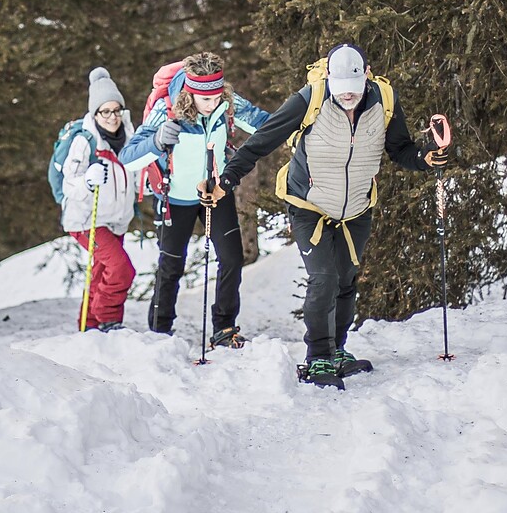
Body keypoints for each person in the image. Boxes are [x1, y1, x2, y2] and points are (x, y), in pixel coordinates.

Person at [217, 44, 445, 384]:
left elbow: (399, 148)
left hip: (356, 205)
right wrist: (227, 178)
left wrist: (424, 159)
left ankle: (337, 349)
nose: (347, 98)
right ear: (328, 78)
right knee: (323, 278)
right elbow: (263, 140)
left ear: (367, 76)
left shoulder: (385, 98)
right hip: (308, 203)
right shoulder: (309, 99)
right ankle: (318, 358)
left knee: (345, 279)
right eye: (341, 92)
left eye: (353, 91)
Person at [120, 51, 269, 350]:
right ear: (190, 93)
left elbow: (266, 125)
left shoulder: (227, 103)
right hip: (175, 197)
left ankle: (224, 328)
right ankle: (160, 333)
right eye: (205, 100)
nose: (212, 104)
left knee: (231, 259)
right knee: (172, 265)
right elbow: (128, 158)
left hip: (214, 193)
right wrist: (158, 140)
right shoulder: (166, 111)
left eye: (216, 97)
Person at [56, 67, 138, 330]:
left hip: (116, 219)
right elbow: (70, 184)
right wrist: (88, 181)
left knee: (102, 272)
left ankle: (89, 325)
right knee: (122, 269)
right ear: (95, 113)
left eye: (116, 110)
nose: (112, 117)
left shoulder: (129, 133)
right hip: (86, 221)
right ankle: (108, 318)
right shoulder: (85, 141)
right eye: (105, 111)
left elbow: (136, 170)